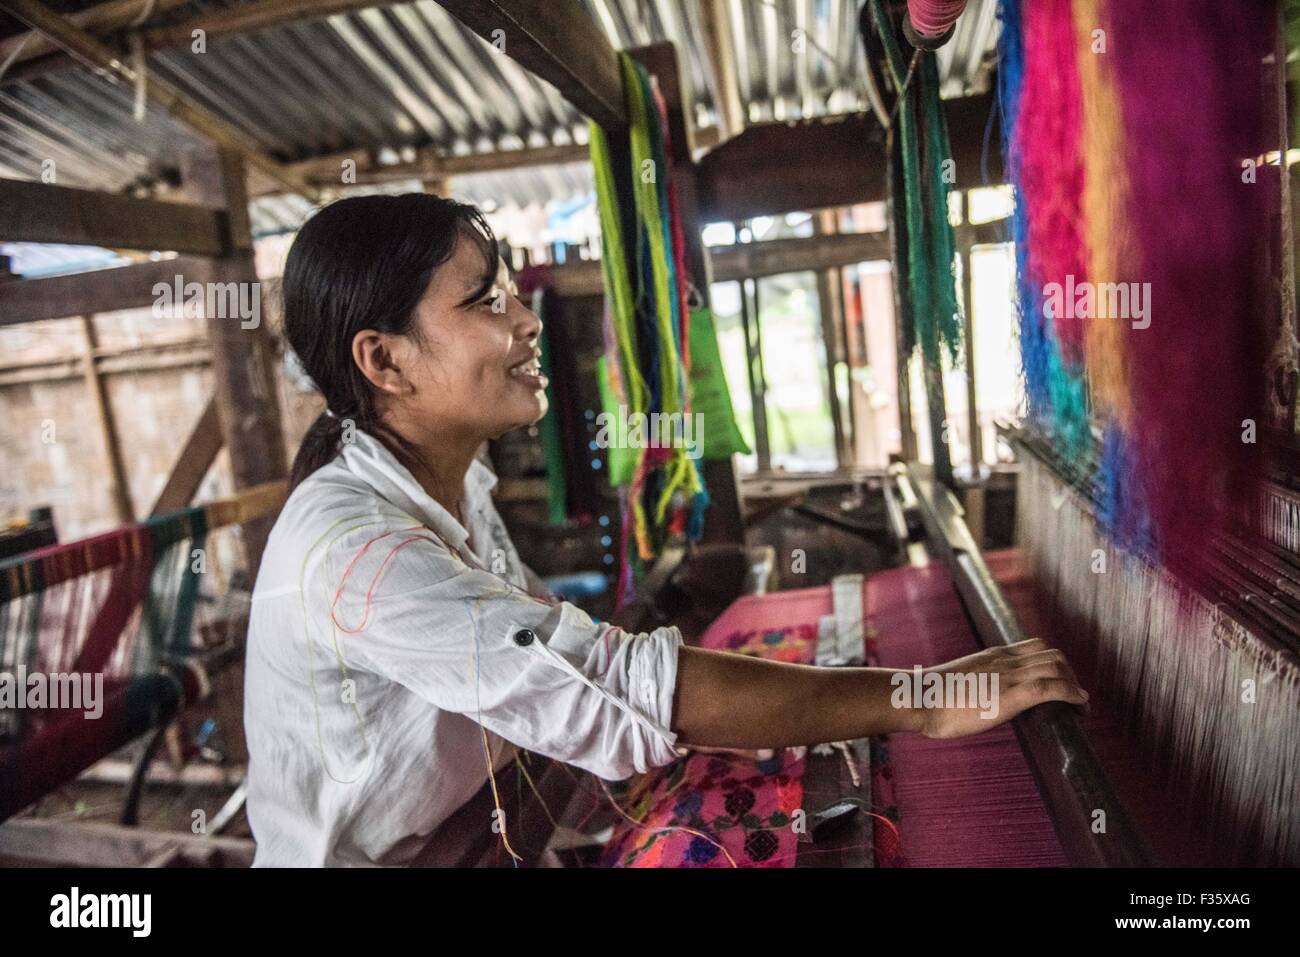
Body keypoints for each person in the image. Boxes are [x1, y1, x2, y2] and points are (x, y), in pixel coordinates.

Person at [244, 193, 1088, 866]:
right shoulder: (358, 548)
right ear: (383, 361)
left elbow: (560, 666)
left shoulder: (450, 480)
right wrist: (925, 699)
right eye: (488, 302)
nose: (528, 321)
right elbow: (619, 690)